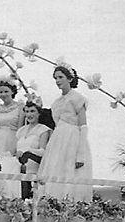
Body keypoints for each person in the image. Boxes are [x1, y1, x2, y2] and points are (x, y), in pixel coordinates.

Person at [38, 65, 92, 202]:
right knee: (55, 169)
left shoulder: (77, 98)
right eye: (55, 78)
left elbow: (83, 126)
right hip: (58, 140)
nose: (57, 80)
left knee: (71, 172)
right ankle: (53, 203)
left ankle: (70, 204)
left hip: (72, 138)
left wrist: (80, 154)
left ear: (70, 78)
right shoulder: (56, 102)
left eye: (61, 77)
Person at [15, 99, 52, 199]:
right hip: (18, 165)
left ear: (39, 113)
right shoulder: (20, 131)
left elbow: (43, 151)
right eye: (26, 111)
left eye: (32, 111)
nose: (29, 114)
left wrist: (28, 150)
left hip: (33, 165)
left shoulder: (43, 129)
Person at [0, 75, 25, 159]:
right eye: (0, 92)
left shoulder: (20, 107)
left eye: (6, 91)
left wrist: (18, 145)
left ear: (12, 92)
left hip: (11, 139)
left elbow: (20, 129)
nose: (3, 94)